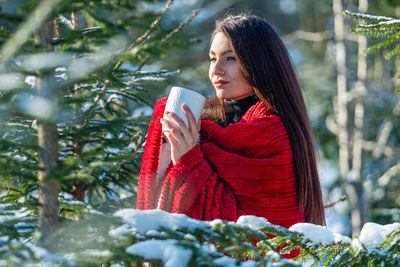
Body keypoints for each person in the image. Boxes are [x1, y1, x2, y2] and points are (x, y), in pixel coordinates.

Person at [136, 14, 325, 231]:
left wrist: (188, 160)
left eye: (230, 58)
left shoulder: (272, 137)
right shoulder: (201, 125)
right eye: (212, 58)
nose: (216, 70)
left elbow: (245, 235)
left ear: (260, 64)